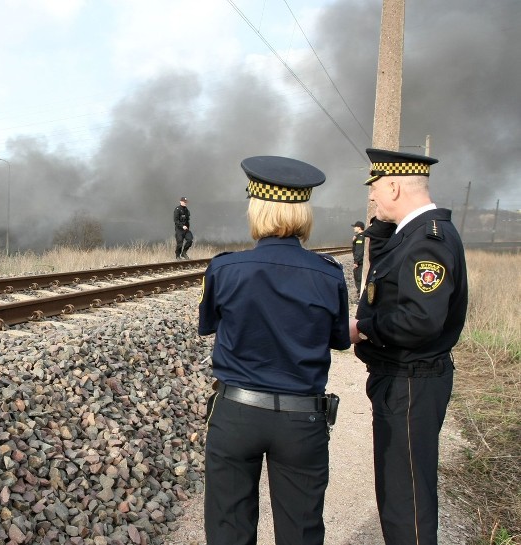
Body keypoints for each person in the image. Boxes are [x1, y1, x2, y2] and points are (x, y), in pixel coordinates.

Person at [200, 156, 351, 545]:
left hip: (236, 415)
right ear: (304, 211)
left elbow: (209, 325)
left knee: (228, 529)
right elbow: (338, 339)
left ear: (257, 207)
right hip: (303, 421)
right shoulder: (329, 275)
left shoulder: (224, 269)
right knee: (301, 531)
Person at [349, 148, 468, 545]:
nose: (374, 200)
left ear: (395, 186)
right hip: (403, 379)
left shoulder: (427, 242)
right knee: (398, 489)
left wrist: (362, 328)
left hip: (411, 382)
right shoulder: (414, 235)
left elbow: (420, 319)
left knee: (407, 498)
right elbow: (388, 284)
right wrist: (381, 230)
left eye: (376, 192)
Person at [351, 220, 365, 289]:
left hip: (360, 262)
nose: (354, 228)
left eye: (355, 227)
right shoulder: (360, 236)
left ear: (359, 228)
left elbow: (359, 250)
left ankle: (360, 294)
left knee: (358, 278)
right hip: (361, 261)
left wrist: (356, 261)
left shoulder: (361, 237)